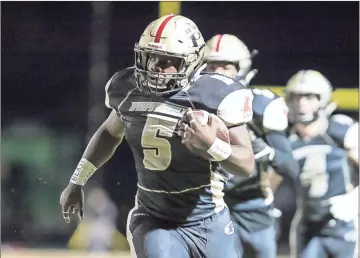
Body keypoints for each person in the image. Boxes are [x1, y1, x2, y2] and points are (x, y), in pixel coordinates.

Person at [59, 14, 255, 258]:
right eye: (150, 57)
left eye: (167, 60)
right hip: (155, 220)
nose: (155, 67)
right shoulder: (129, 88)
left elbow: (246, 164)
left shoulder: (215, 94)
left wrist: (211, 145)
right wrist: (77, 180)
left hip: (209, 220)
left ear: (191, 62)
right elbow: (109, 133)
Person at [203, 33, 299, 258]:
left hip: (252, 205)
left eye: (225, 67)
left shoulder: (262, 105)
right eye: (212, 66)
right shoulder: (191, 104)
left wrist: (266, 152)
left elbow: (289, 167)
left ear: (242, 69)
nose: (218, 74)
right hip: (208, 205)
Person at [284, 70, 358, 258]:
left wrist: (355, 199)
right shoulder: (286, 140)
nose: (301, 104)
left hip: (343, 224)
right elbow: (268, 183)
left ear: (322, 99)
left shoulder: (340, 131)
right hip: (307, 223)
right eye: (296, 97)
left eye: (309, 97)